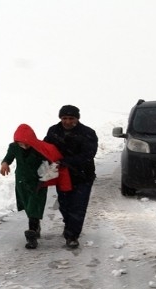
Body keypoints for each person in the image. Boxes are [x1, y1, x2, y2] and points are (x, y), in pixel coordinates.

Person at [0, 124, 71, 249]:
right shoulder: (14, 147)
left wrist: (51, 170)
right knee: (28, 206)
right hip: (22, 182)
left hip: (38, 182)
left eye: (28, 143)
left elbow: (51, 159)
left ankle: (31, 235)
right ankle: (35, 225)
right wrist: (5, 164)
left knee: (34, 205)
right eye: (22, 143)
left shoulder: (39, 148)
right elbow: (8, 158)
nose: (25, 146)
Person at [44, 105, 98, 248]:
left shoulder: (88, 133)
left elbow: (88, 154)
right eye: (64, 118)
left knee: (78, 206)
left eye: (71, 118)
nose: (67, 121)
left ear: (77, 119)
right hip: (61, 176)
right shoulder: (53, 131)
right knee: (65, 204)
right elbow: (45, 148)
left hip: (83, 176)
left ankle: (72, 235)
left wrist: (66, 162)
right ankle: (69, 225)